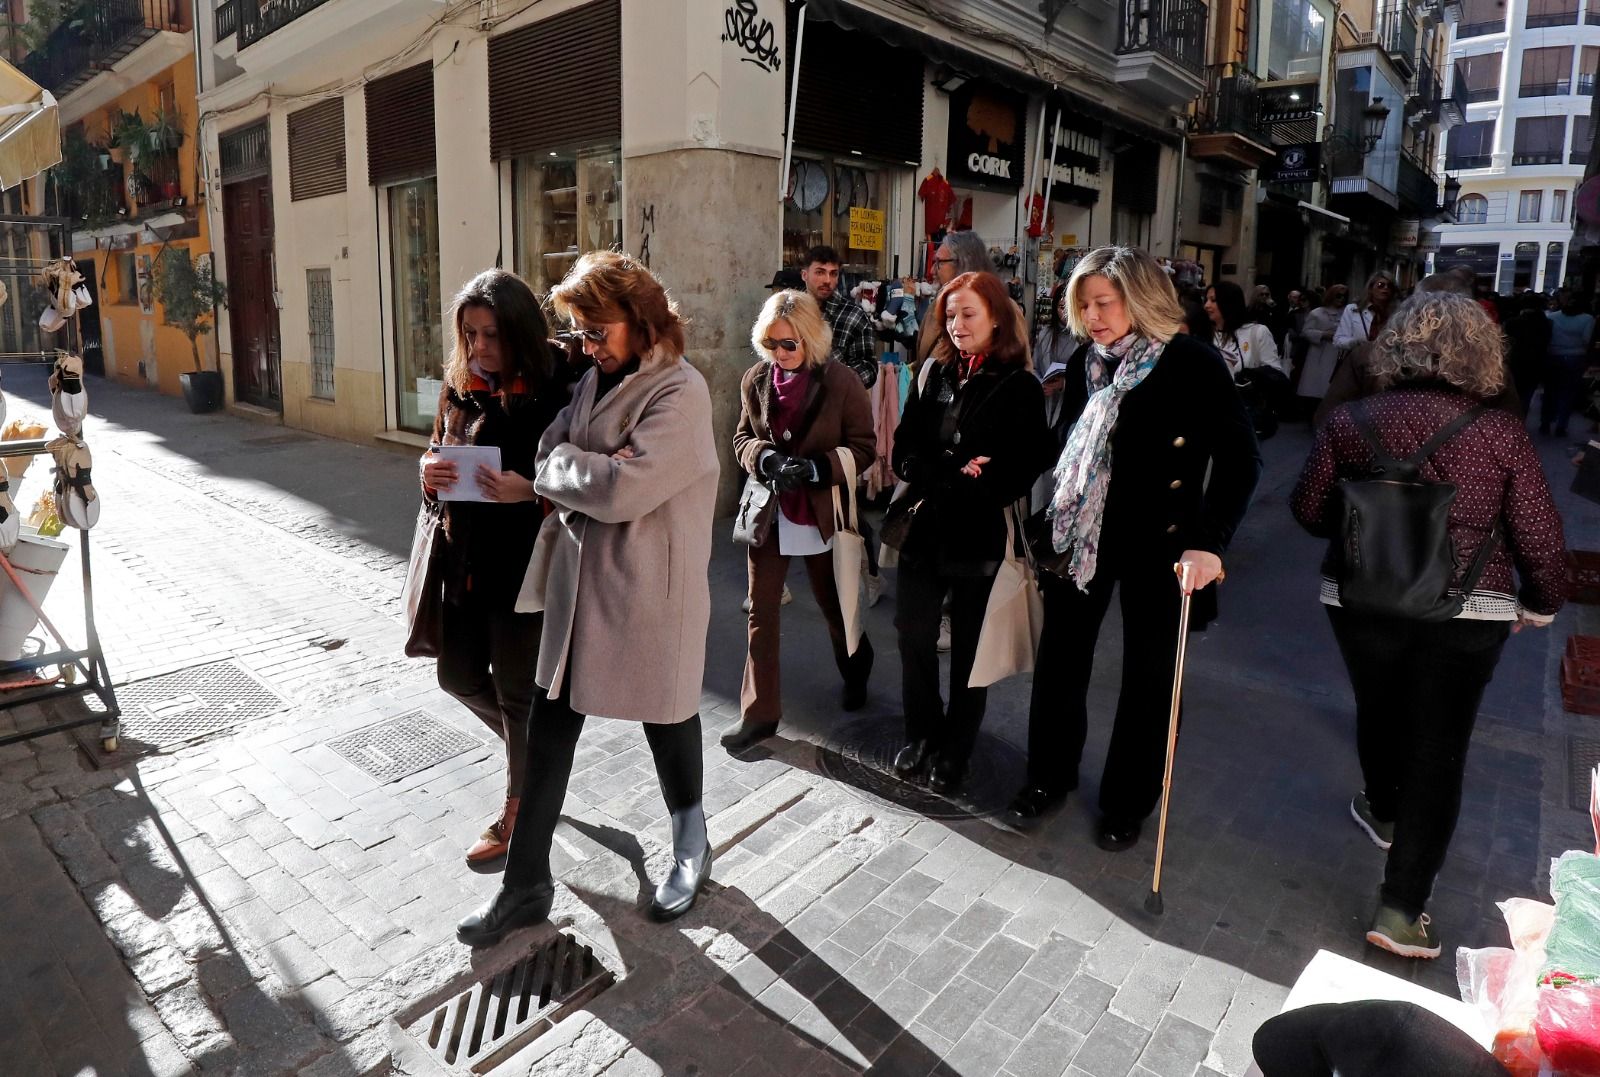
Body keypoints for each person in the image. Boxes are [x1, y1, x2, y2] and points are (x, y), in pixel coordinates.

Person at [1290, 291, 1566, 958]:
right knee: (1439, 747)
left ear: (1396, 346)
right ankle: (1401, 909)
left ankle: (1382, 806)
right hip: (1467, 610)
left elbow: (1307, 508)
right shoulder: (1499, 432)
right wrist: (1543, 600)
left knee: (1378, 708)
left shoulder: (1351, 420)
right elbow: (1540, 533)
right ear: (1482, 353)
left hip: (1360, 600)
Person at [457, 250, 720, 946]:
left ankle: (692, 844)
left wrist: (579, 470)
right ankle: (526, 887)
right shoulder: (597, 379)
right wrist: (586, 467)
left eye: (597, 330)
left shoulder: (680, 391)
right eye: (580, 331)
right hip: (580, 591)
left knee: (669, 719)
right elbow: (552, 451)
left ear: (639, 320)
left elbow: (621, 489)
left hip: (649, 590)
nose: (587, 345)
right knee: (547, 734)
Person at [1006, 246, 1262, 841]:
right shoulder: (1081, 365)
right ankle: (1048, 777)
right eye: (1084, 305)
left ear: (1140, 298)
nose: (1093, 317)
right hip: (1084, 533)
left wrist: (1210, 542)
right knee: (1061, 662)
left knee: (1150, 678)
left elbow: (1240, 459)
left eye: (1104, 302)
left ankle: (1127, 803)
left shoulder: (1191, 361)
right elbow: (1066, 447)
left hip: (1165, 541)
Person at [419, 269, 571, 866]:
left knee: (517, 695)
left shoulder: (558, 386)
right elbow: (438, 453)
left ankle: (519, 809)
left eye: (492, 334)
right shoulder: (459, 386)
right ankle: (535, 763)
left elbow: (585, 475)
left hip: (524, 569)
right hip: (464, 564)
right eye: (470, 334)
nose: (481, 347)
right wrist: (427, 472)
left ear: (520, 331)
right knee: (455, 676)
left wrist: (532, 491)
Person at [889, 270, 1052, 796]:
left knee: (968, 651)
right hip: (923, 529)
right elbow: (905, 448)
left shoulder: (1020, 386)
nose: (956, 325)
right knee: (912, 632)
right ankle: (922, 732)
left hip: (977, 535)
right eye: (949, 315)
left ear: (996, 317)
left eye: (968, 314)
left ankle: (955, 749)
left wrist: (963, 475)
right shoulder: (934, 372)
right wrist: (953, 468)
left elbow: (1020, 468)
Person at [721, 290, 876, 752]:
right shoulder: (755, 380)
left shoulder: (843, 382)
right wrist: (765, 459)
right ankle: (759, 715)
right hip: (770, 512)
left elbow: (865, 448)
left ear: (810, 339)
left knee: (834, 606)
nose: (780, 354)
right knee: (761, 615)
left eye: (789, 344)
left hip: (820, 513)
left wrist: (816, 468)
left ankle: (856, 667)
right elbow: (742, 437)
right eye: (771, 343)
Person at [1316, 273, 1399, 426]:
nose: (1385, 289)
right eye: (1381, 285)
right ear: (1371, 288)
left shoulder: (1398, 313)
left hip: (1386, 369)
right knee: (1350, 408)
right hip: (1358, 366)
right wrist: (1356, 342)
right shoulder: (1353, 310)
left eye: (1390, 286)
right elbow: (1338, 340)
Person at [801, 245, 877, 389]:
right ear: (805, 275)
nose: (827, 280)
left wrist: (836, 380)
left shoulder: (853, 315)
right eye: (820, 272)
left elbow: (869, 370)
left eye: (833, 274)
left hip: (837, 403)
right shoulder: (793, 312)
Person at [1205, 281, 1289, 377]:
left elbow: (1274, 373)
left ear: (1229, 302)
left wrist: (1248, 377)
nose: (1206, 305)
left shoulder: (1258, 332)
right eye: (1206, 300)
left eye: (1213, 300)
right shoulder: (1203, 334)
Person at [1543, 291, 1595, 437]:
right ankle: (1561, 425)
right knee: (1569, 392)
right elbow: (1586, 339)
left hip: (1554, 354)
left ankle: (1545, 422)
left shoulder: (1552, 317)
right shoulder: (1588, 319)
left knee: (1551, 391)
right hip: (1576, 356)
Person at [1502, 291, 1551, 418]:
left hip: (1515, 362)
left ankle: (1512, 422)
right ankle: (1521, 422)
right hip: (1537, 363)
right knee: (1527, 396)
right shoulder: (1546, 324)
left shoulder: (1512, 322)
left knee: (1513, 395)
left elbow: (1504, 343)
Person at [1295, 286, 1347, 404]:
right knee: (1316, 387)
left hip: (1338, 353)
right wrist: (1323, 334)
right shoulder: (1317, 313)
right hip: (1319, 353)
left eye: (1344, 296)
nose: (1341, 299)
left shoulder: (1347, 314)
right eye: (1338, 295)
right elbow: (1305, 331)